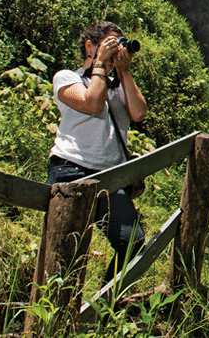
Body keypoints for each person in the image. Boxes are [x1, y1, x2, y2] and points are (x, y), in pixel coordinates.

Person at [46, 20, 148, 282]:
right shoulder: (67, 78)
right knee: (66, 252)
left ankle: (103, 309)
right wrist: (100, 65)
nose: (115, 54)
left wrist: (124, 72)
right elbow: (92, 103)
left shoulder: (118, 86)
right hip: (71, 171)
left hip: (111, 178)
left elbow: (138, 113)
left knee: (133, 245)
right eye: (109, 46)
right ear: (90, 46)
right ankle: (58, 317)